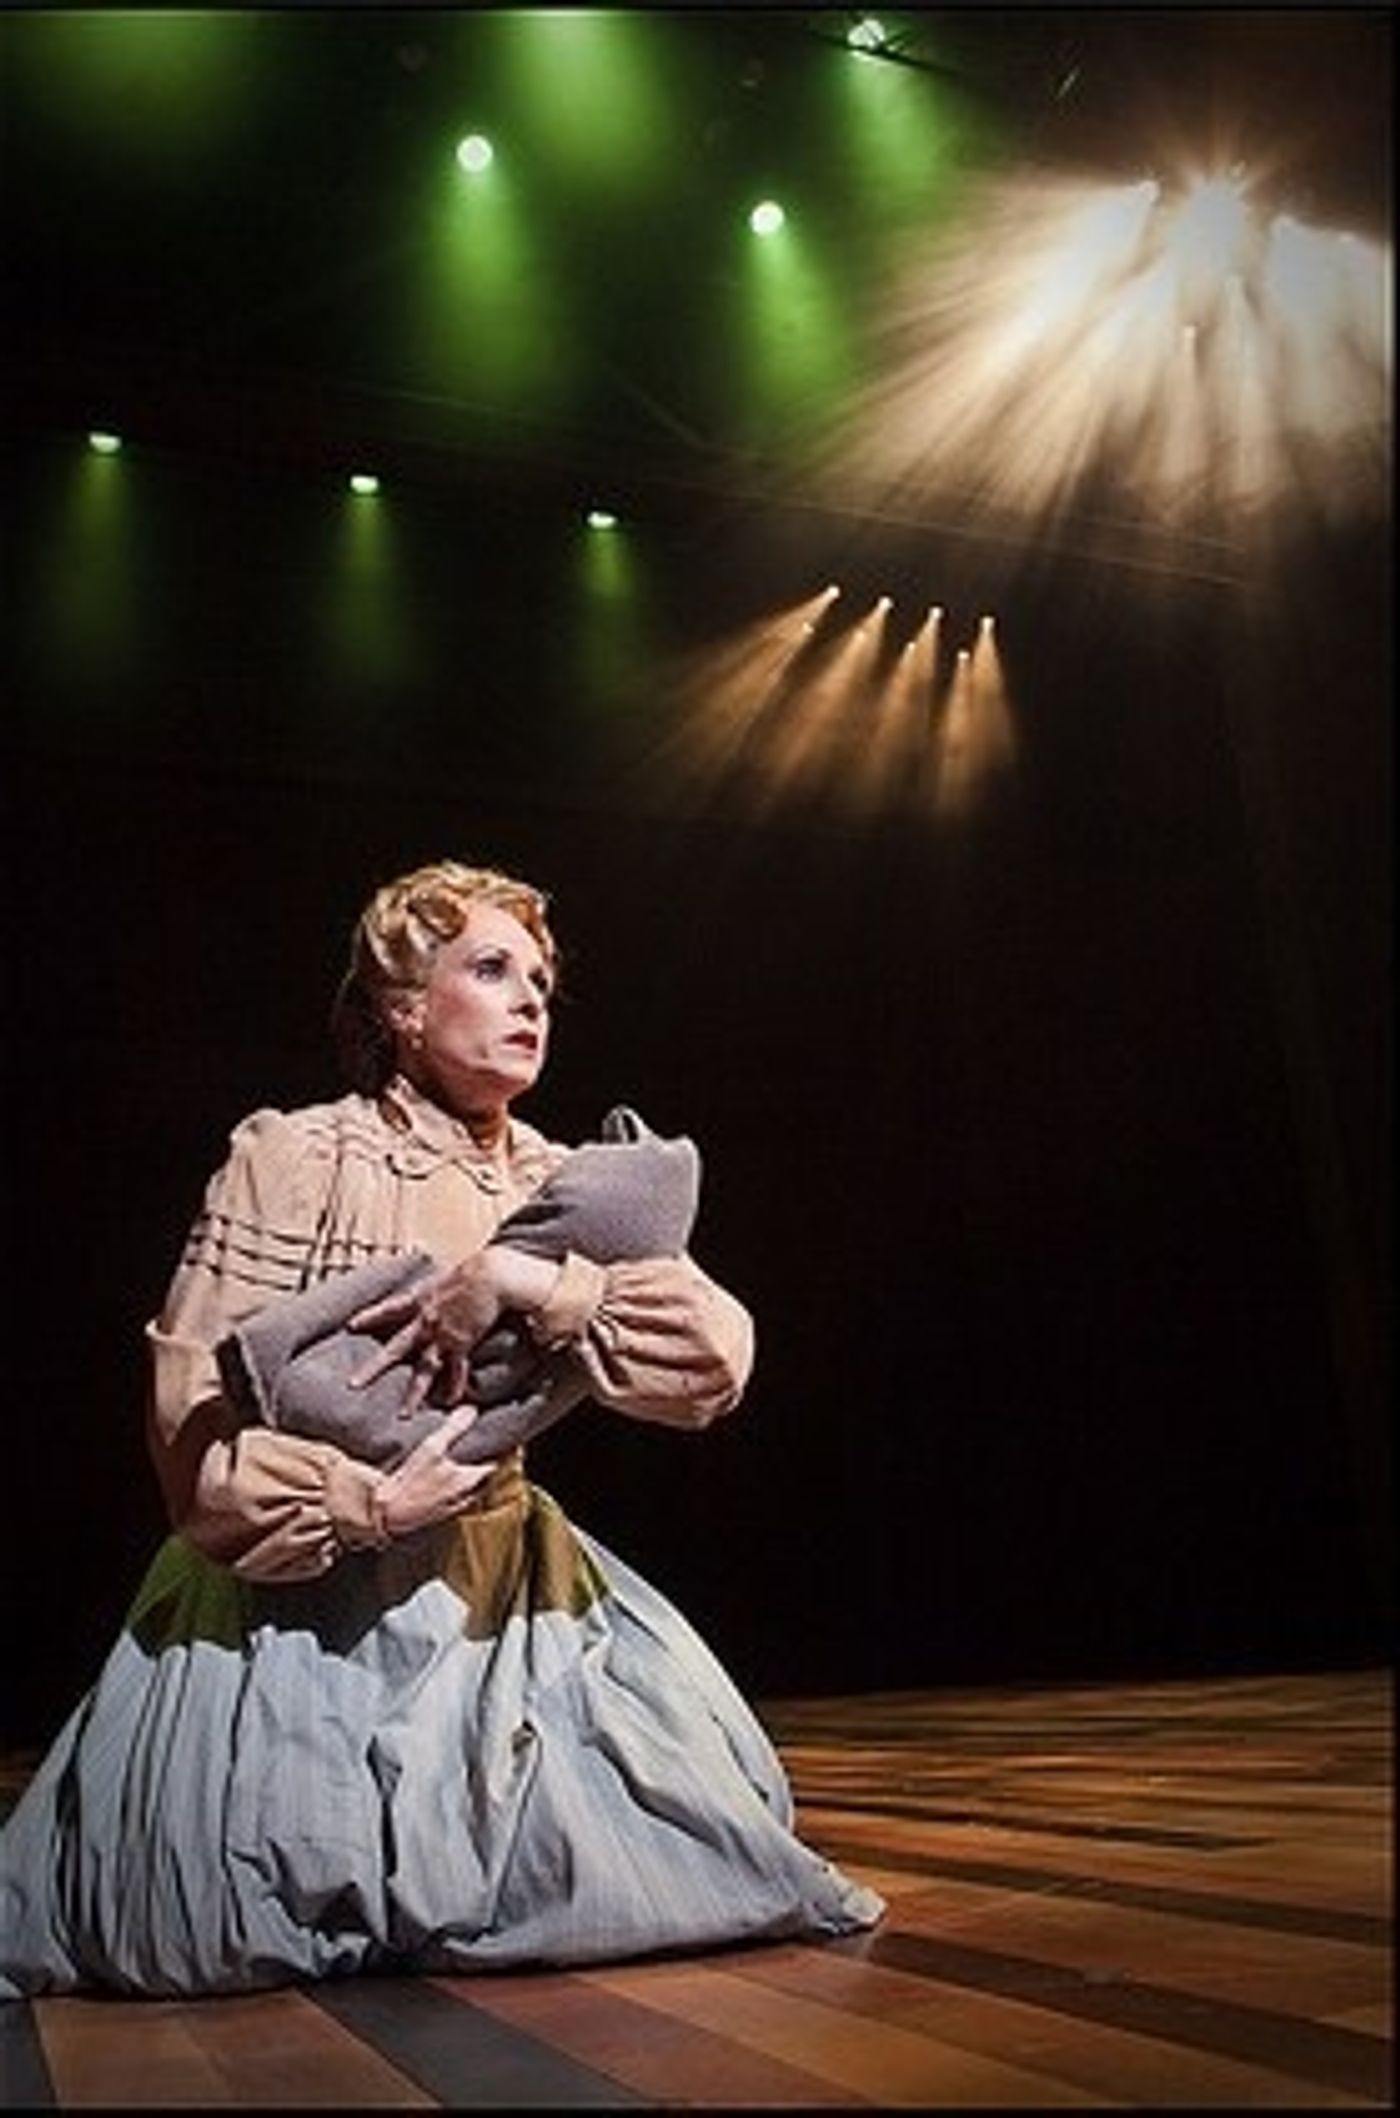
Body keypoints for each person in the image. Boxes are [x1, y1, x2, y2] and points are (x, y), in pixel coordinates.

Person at [0, 857, 883, 1997]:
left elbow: (713, 1364)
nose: (530, 1001)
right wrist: (359, 1504)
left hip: (494, 1585)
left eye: (541, 982)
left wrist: (532, 1282)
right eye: (491, 969)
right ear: (402, 1009)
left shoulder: (567, 1180)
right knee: (211, 1911)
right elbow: (193, 1423)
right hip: (290, 1602)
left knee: (682, 1848)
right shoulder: (294, 1157)